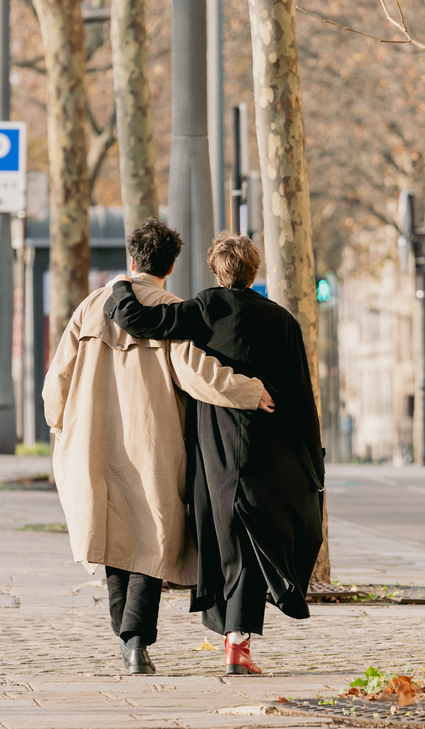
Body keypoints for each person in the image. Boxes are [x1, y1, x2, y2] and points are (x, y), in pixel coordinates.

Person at [42, 218, 275, 676]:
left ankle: (126, 638)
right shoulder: (171, 311)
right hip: (152, 442)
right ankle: (135, 639)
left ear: (132, 259)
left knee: (110, 537)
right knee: (150, 540)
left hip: (90, 441)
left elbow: (57, 380)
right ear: (170, 266)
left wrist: (59, 426)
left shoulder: (91, 306)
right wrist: (251, 391)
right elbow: (196, 372)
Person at [103, 233, 325, 675]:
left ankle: (232, 636)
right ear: (254, 270)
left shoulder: (204, 308)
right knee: (254, 536)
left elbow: (138, 320)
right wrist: (313, 460)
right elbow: (302, 395)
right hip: (271, 443)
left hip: (216, 444)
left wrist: (121, 284)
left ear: (216, 270)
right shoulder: (282, 321)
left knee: (223, 536)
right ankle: (237, 644)